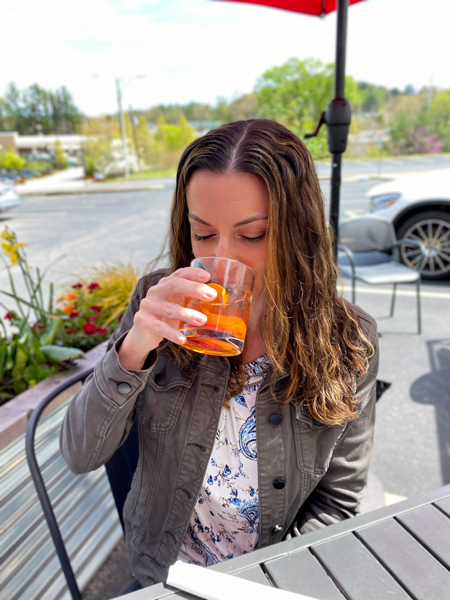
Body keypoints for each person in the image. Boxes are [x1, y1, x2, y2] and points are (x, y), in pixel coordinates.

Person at [60, 119, 378, 588]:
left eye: (252, 235)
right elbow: (79, 454)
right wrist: (134, 349)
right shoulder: (158, 301)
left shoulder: (349, 341)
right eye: (203, 235)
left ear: (299, 232)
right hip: (160, 575)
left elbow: (337, 503)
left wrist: (265, 585)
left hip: (268, 581)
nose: (224, 258)